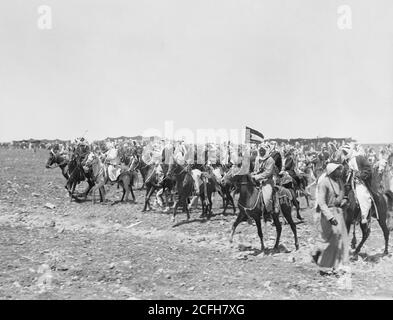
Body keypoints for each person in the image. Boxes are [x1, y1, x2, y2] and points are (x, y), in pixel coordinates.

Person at [312, 163, 349, 274]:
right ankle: (323, 264)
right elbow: (322, 202)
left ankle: (339, 265)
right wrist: (330, 217)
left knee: (342, 239)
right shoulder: (324, 183)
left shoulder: (339, 182)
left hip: (339, 212)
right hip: (329, 213)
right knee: (330, 239)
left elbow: (342, 195)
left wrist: (344, 201)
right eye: (338, 170)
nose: (340, 171)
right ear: (332, 171)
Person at [341, 144, 374, 225]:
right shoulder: (348, 160)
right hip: (351, 181)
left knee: (362, 195)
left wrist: (360, 175)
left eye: (345, 153)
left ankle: (364, 216)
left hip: (361, 182)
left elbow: (368, 168)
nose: (344, 154)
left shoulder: (360, 158)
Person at [251, 144, 280, 218]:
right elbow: (255, 169)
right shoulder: (257, 159)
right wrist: (253, 174)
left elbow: (268, 173)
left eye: (263, 150)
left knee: (267, 197)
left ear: (266, 151)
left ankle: (269, 211)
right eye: (260, 150)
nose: (261, 152)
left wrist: (256, 177)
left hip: (267, 180)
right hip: (257, 179)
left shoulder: (270, 160)